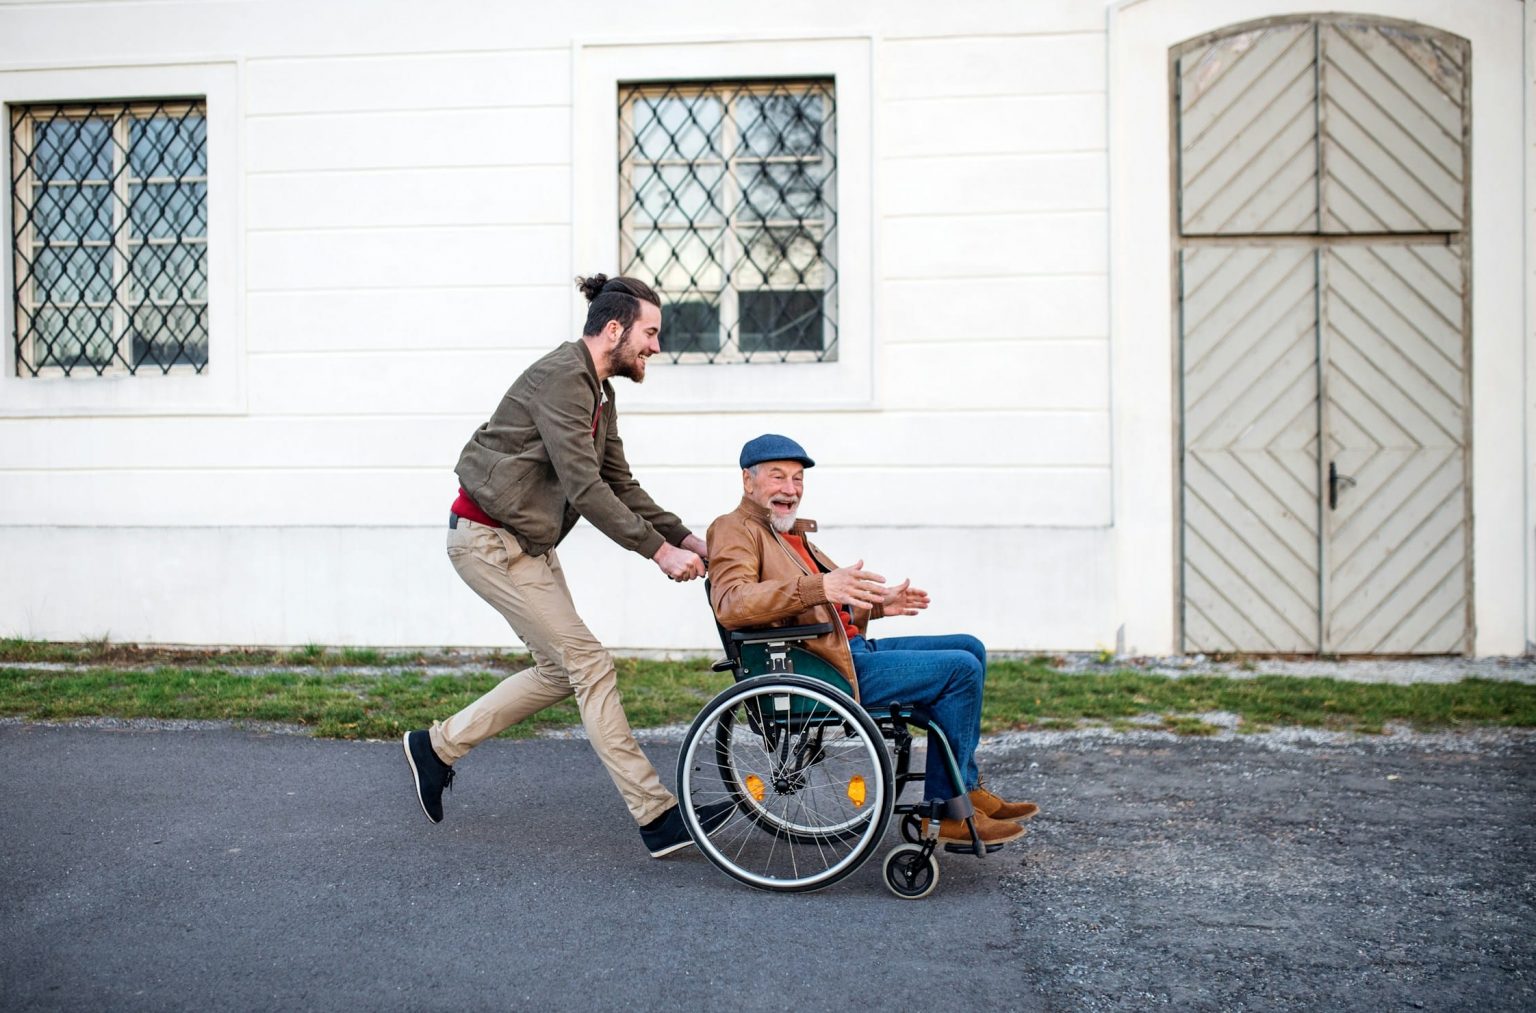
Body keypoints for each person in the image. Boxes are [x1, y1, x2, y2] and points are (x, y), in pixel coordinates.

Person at [402, 274, 712, 859]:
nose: (655, 347)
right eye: (650, 333)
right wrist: (658, 552)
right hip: (487, 542)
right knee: (590, 664)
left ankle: (436, 748)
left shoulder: (598, 391)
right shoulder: (562, 379)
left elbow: (620, 483)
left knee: (559, 671)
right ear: (614, 328)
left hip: (526, 545)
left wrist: (688, 538)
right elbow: (586, 488)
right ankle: (657, 816)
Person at [706, 434, 1040, 846]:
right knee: (960, 670)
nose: (790, 490)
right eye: (778, 478)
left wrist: (879, 606)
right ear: (748, 481)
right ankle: (948, 807)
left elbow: (822, 603)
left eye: (797, 480)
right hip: (815, 667)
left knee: (970, 646)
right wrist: (820, 586)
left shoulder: (788, 534)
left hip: (843, 650)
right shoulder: (733, 529)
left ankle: (965, 787)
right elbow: (732, 604)